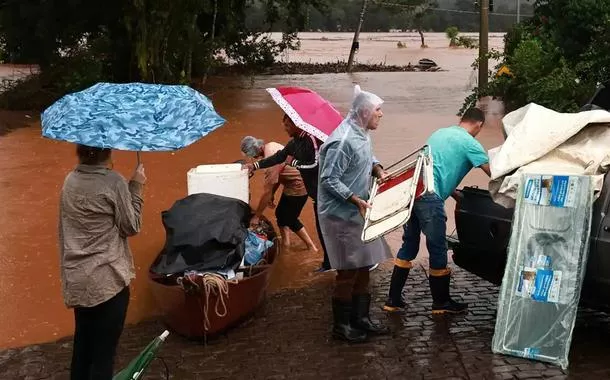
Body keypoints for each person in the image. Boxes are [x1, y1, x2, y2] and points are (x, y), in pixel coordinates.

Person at [383, 107, 491, 314]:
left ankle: (393, 300)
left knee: (410, 245)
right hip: (430, 198)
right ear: (479, 125)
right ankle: (441, 303)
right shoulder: (471, 143)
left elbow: (432, 168)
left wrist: (452, 193)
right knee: (438, 247)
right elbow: (492, 173)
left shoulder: (439, 134)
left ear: (462, 119)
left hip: (413, 192)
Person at [59, 144, 146, 380]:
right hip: (108, 282)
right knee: (103, 356)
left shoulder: (70, 181)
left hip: (78, 281)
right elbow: (132, 226)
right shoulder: (114, 182)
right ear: (108, 150)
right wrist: (136, 185)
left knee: (83, 350)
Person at [318, 85, 392, 343]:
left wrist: (378, 169)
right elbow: (329, 179)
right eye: (378, 110)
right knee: (347, 270)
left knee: (364, 266)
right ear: (364, 112)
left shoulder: (361, 132)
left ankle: (360, 319)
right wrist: (353, 198)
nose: (381, 115)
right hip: (340, 214)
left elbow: (368, 157)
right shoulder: (342, 140)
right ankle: (341, 326)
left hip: (358, 209)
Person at [244, 114, 332, 272]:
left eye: (287, 125)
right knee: (284, 216)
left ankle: (320, 256)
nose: (284, 129)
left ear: (297, 125)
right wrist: (255, 166)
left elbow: (313, 165)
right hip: (309, 190)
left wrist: (257, 215)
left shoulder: (310, 141)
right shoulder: (293, 143)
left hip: (311, 189)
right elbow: (279, 158)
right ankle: (290, 248)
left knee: (293, 219)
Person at [240, 136, 317, 251]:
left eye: (252, 155)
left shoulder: (270, 160)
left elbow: (267, 192)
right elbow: (278, 175)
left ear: (257, 150)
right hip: (295, 183)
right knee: (281, 214)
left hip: (299, 186)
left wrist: (256, 216)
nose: (254, 158)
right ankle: (286, 244)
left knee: (290, 218)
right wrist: (272, 194)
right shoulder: (271, 145)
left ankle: (311, 246)